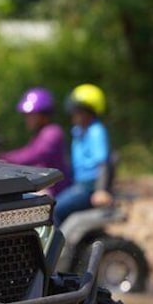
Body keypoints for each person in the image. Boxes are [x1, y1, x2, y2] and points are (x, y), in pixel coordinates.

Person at [53, 83, 113, 225]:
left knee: (53, 210)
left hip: (90, 189)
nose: (73, 115)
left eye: (77, 111)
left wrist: (101, 190)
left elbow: (103, 163)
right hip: (79, 185)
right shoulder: (79, 132)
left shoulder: (96, 132)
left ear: (88, 111)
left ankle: (58, 246)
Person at [0, 87, 71, 197]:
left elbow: (34, 155)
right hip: (45, 189)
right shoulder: (39, 135)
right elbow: (28, 152)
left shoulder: (52, 132)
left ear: (43, 115)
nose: (27, 119)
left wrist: (5, 158)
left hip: (55, 192)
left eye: (31, 115)